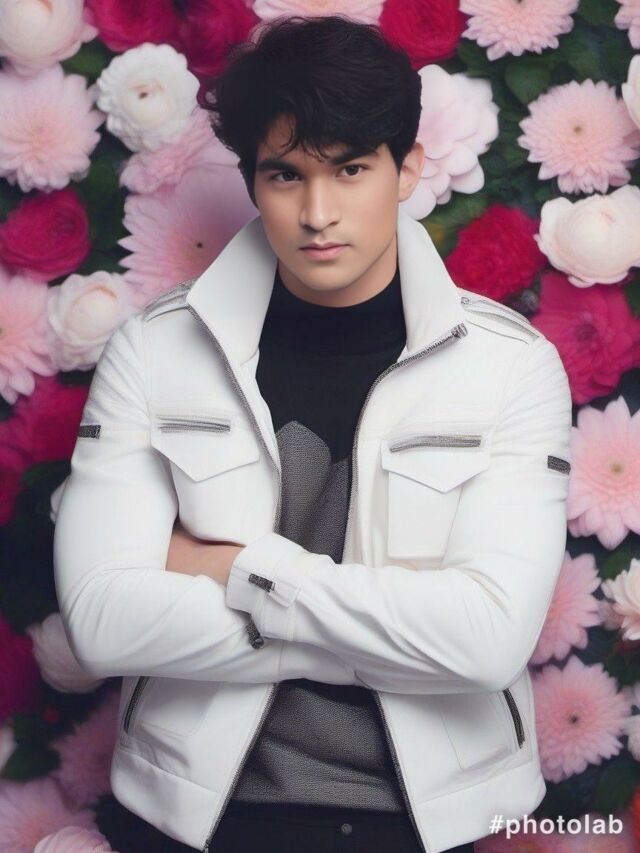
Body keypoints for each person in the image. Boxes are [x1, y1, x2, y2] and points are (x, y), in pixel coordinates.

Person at [53, 14, 572, 853]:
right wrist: (399, 627)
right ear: (252, 181)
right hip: (194, 815)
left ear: (407, 170)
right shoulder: (154, 349)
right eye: (286, 175)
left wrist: (239, 569)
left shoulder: (511, 366)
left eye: (351, 169)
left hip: (427, 822)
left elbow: (485, 642)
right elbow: (103, 621)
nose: (318, 213)